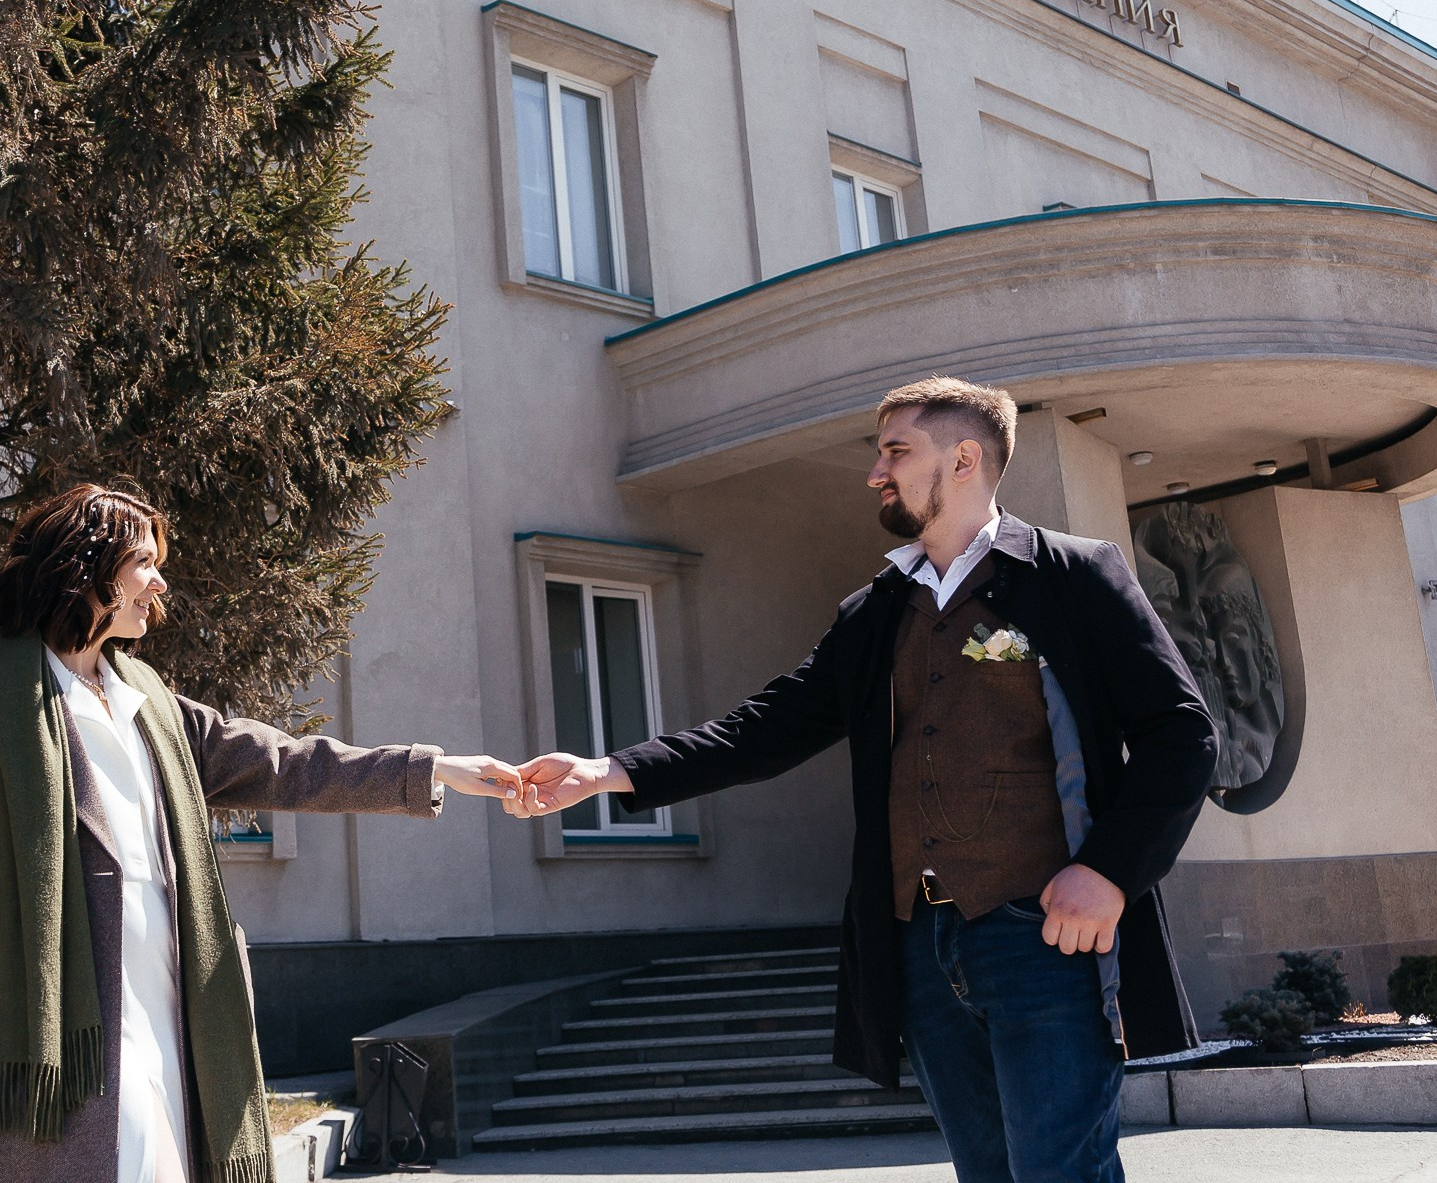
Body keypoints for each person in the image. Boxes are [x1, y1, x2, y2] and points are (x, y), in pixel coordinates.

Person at [510, 377, 1217, 1183]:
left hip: (1045, 938)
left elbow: (1182, 734)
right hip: (917, 948)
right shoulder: (875, 610)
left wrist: (1110, 872)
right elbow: (766, 728)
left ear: (963, 459)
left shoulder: (1074, 575)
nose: (875, 473)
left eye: (895, 452)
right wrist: (608, 772)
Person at [0, 484, 521, 1183]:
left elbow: (285, 764)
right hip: (48, 1031)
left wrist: (435, 769)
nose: (160, 583)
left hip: (169, 1003)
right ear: (86, 567)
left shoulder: (149, 701)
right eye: (144, 563)